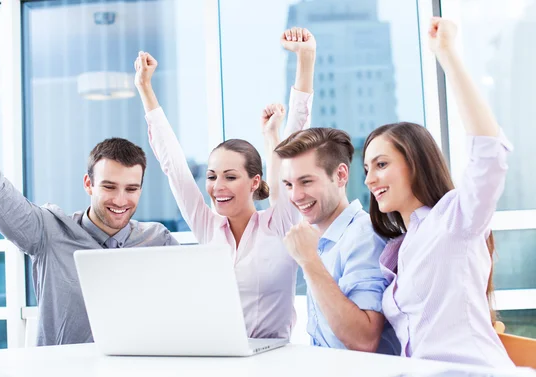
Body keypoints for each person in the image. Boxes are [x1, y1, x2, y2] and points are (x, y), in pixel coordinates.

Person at [0, 42, 177, 346]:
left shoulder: (159, 240)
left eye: (131, 189)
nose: (120, 200)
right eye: (109, 186)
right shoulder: (48, 231)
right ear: (88, 184)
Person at [133, 27, 316, 339]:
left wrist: (305, 59)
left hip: (275, 360)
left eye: (231, 177)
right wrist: (145, 89)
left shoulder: (281, 222)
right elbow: (174, 168)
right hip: (219, 357)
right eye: (212, 176)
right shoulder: (207, 226)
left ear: (254, 181)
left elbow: (297, 140)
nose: (218, 186)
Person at [362, 18, 513, 367]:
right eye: (367, 169)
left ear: (414, 163)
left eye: (381, 164)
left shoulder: (454, 220)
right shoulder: (402, 245)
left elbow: (490, 153)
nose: (370, 179)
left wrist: (448, 55)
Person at [273, 126, 399, 354]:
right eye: (289, 185)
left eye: (306, 182)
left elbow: (363, 340)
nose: (295, 196)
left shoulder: (363, 237)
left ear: (340, 175)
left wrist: (309, 261)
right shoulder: (321, 239)